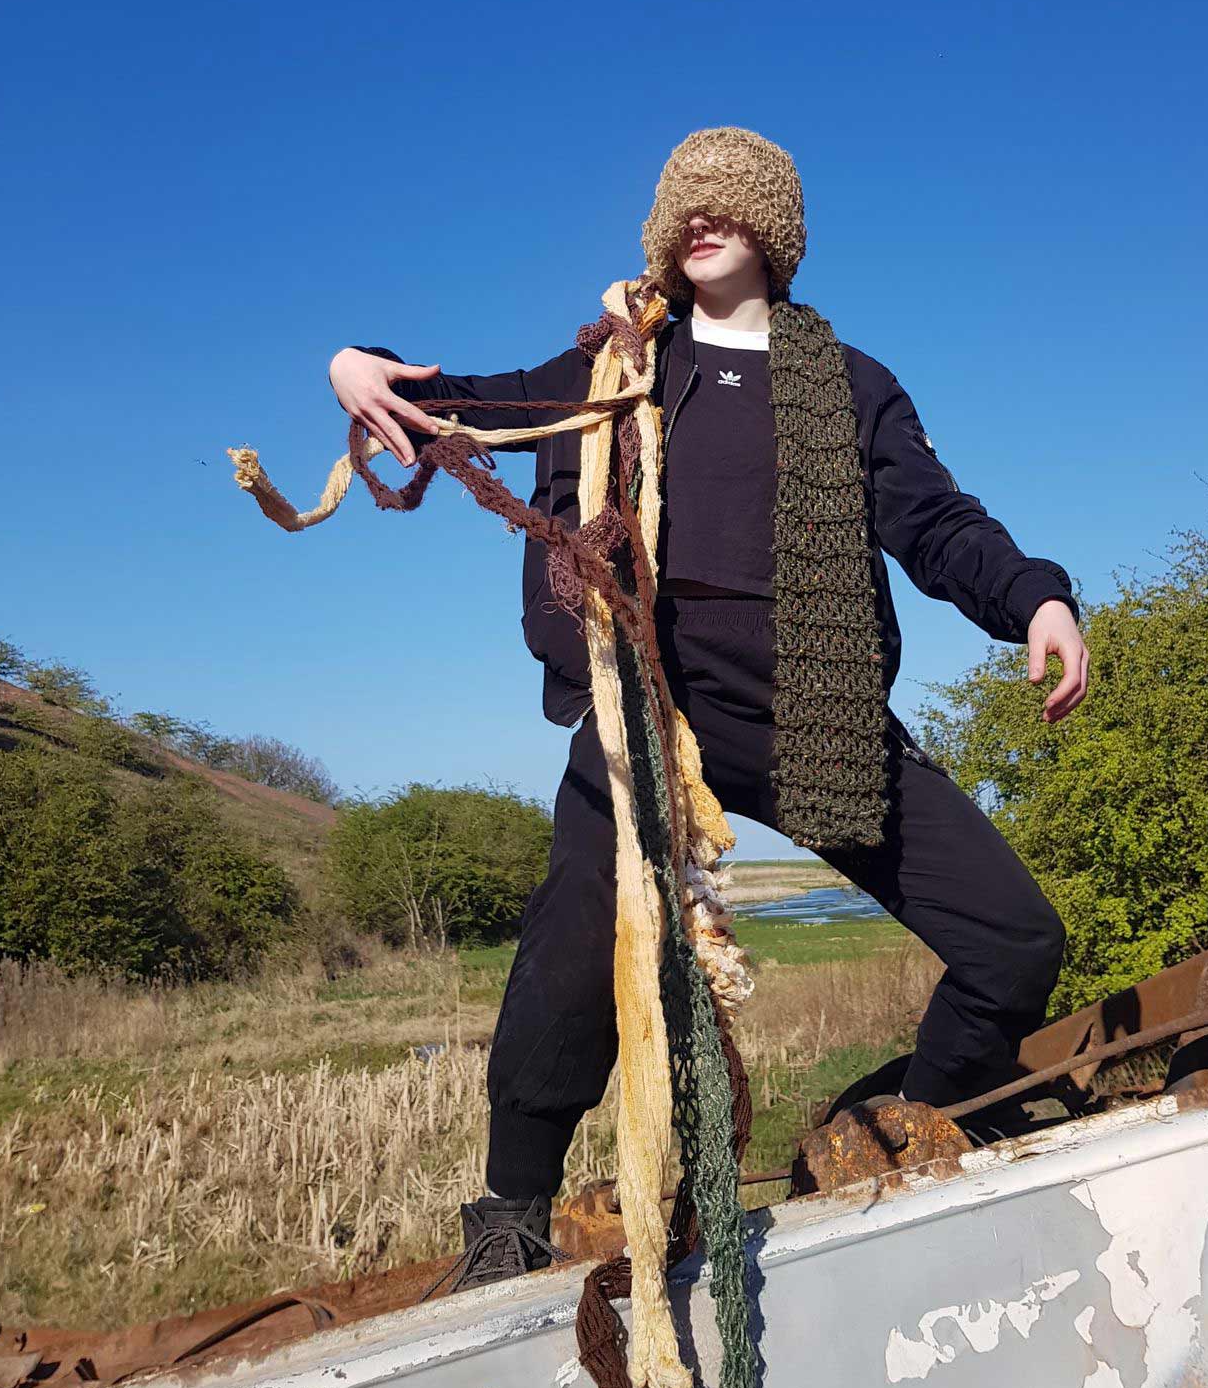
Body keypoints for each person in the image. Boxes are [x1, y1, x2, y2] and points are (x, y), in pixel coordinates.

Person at [329, 127, 1089, 1287]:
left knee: (1017, 938)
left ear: (775, 227)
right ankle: (510, 1214)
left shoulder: (850, 383)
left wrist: (1035, 598)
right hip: (650, 703)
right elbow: (452, 400)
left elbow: (936, 523)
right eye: (683, 204)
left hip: (815, 711)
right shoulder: (612, 367)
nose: (702, 217)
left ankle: (912, 1128)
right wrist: (355, 360)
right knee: (576, 939)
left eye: (727, 201)